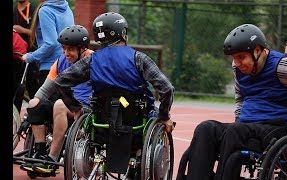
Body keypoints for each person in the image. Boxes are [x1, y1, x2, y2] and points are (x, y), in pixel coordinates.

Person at [178, 24, 287, 180]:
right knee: (206, 128)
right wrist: (238, 122)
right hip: (247, 128)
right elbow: (240, 98)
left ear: (258, 51)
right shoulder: (238, 67)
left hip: (280, 127)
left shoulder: (285, 67)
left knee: (236, 131)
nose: (237, 62)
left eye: (241, 57)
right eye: (234, 58)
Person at [37, 12, 175, 136]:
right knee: (157, 116)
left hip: (101, 117)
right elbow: (167, 88)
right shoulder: (139, 58)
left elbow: (60, 80)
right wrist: (164, 116)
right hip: (135, 116)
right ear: (122, 34)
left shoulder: (91, 60)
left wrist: (75, 107)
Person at [20, 25, 93, 175]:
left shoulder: (95, 60)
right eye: (64, 48)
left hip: (87, 107)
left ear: (83, 48)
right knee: (35, 103)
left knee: (59, 104)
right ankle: (40, 151)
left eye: (70, 49)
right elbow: (44, 91)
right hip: (66, 104)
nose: (66, 53)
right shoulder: (60, 62)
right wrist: (30, 113)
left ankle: (52, 159)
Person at [21, 0, 74, 88]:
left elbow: (51, 43)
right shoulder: (67, 8)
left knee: (43, 101)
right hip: (67, 64)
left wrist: (30, 57)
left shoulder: (45, 11)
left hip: (49, 68)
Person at [13, 0, 39, 99]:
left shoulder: (35, 10)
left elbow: (39, 33)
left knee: (31, 84)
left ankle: (35, 111)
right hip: (15, 55)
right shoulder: (14, 10)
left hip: (31, 53)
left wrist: (22, 30)